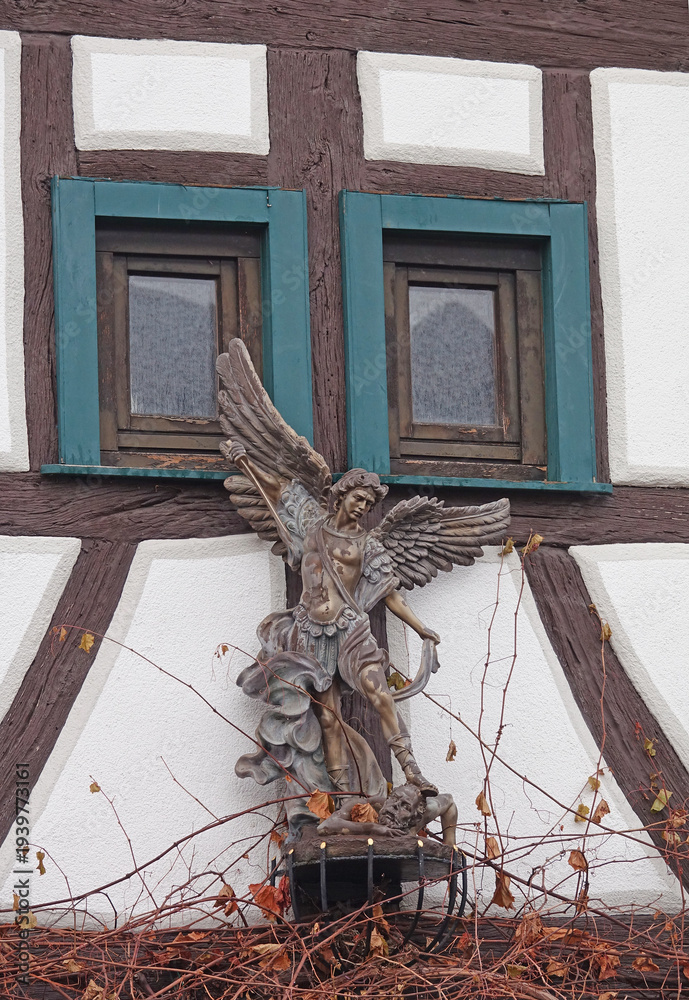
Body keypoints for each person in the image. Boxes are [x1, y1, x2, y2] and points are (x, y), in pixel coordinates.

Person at [227, 444, 440, 798]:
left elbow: (390, 594)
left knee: (381, 695)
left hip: (349, 629)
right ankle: (341, 795)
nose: (362, 507)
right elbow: (278, 493)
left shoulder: (368, 546)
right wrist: (244, 461)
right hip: (311, 634)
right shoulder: (310, 530)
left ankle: (412, 771)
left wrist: (420, 628)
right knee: (328, 717)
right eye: (358, 498)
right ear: (342, 495)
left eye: (368, 505)